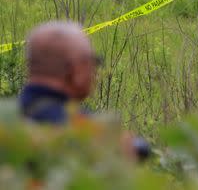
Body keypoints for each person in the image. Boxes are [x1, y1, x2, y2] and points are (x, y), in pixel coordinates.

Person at [18, 21, 150, 160]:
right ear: (77, 68)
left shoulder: (7, 120)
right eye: (93, 62)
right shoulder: (89, 132)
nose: (95, 72)